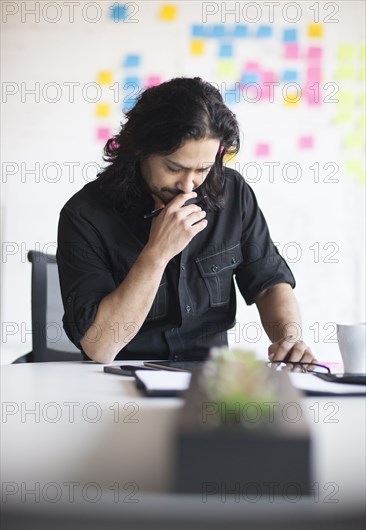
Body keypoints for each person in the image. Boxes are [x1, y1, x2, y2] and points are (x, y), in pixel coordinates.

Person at [57, 76, 316, 368]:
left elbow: (269, 283)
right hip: (119, 380)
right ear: (140, 149)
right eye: (174, 168)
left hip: (210, 380)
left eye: (202, 169)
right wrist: (157, 253)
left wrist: (289, 338)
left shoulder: (234, 194)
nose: (189, 185)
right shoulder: (85, 215)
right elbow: (100, 348)